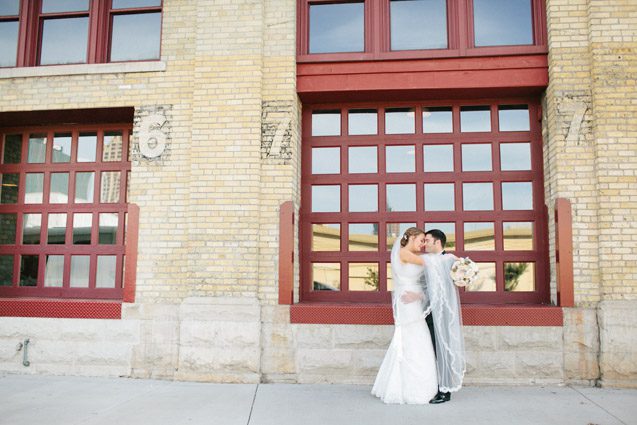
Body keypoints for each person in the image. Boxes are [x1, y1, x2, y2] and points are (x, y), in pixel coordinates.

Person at [371, 227, 438, 404]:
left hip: (414, 299)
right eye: (421, 240)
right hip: (407, 302)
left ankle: (422, 385)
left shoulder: (416, 257)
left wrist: (421, 295)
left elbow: (427, 277)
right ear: (412, 238)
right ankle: (410, 387)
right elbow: (431, 264)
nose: (423, 244)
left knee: (417, 338)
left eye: (425, 241)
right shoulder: (404, 253)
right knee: (413, 338)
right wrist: (448, 259)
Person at [420, 229, 466, 404]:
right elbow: (420, 285)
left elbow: (461, 280)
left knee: (444, 349)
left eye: (428, 240)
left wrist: (464, 276)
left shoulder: (452, 260)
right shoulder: (423, 260)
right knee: (430, 349)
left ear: (437, 242)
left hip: (446, 313)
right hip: (427, 311)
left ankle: (445, 390)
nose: (425, 243)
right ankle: (430, 386)